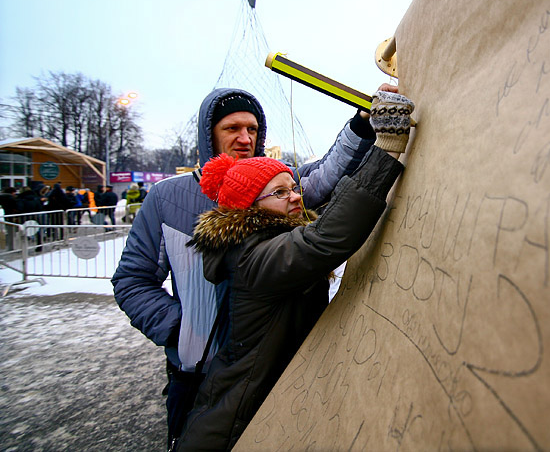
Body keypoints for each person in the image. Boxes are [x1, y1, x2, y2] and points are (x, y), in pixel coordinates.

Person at [111, 85, 393, 446]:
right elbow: (132, 280)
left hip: (269, 367)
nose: (245, 138)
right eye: (232, 128)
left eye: (253, 129)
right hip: (195, 370)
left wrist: (363, 124)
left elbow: (326, 175)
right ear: (208, 134)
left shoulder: (277, 184)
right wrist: (180, 331)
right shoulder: (166, 197)